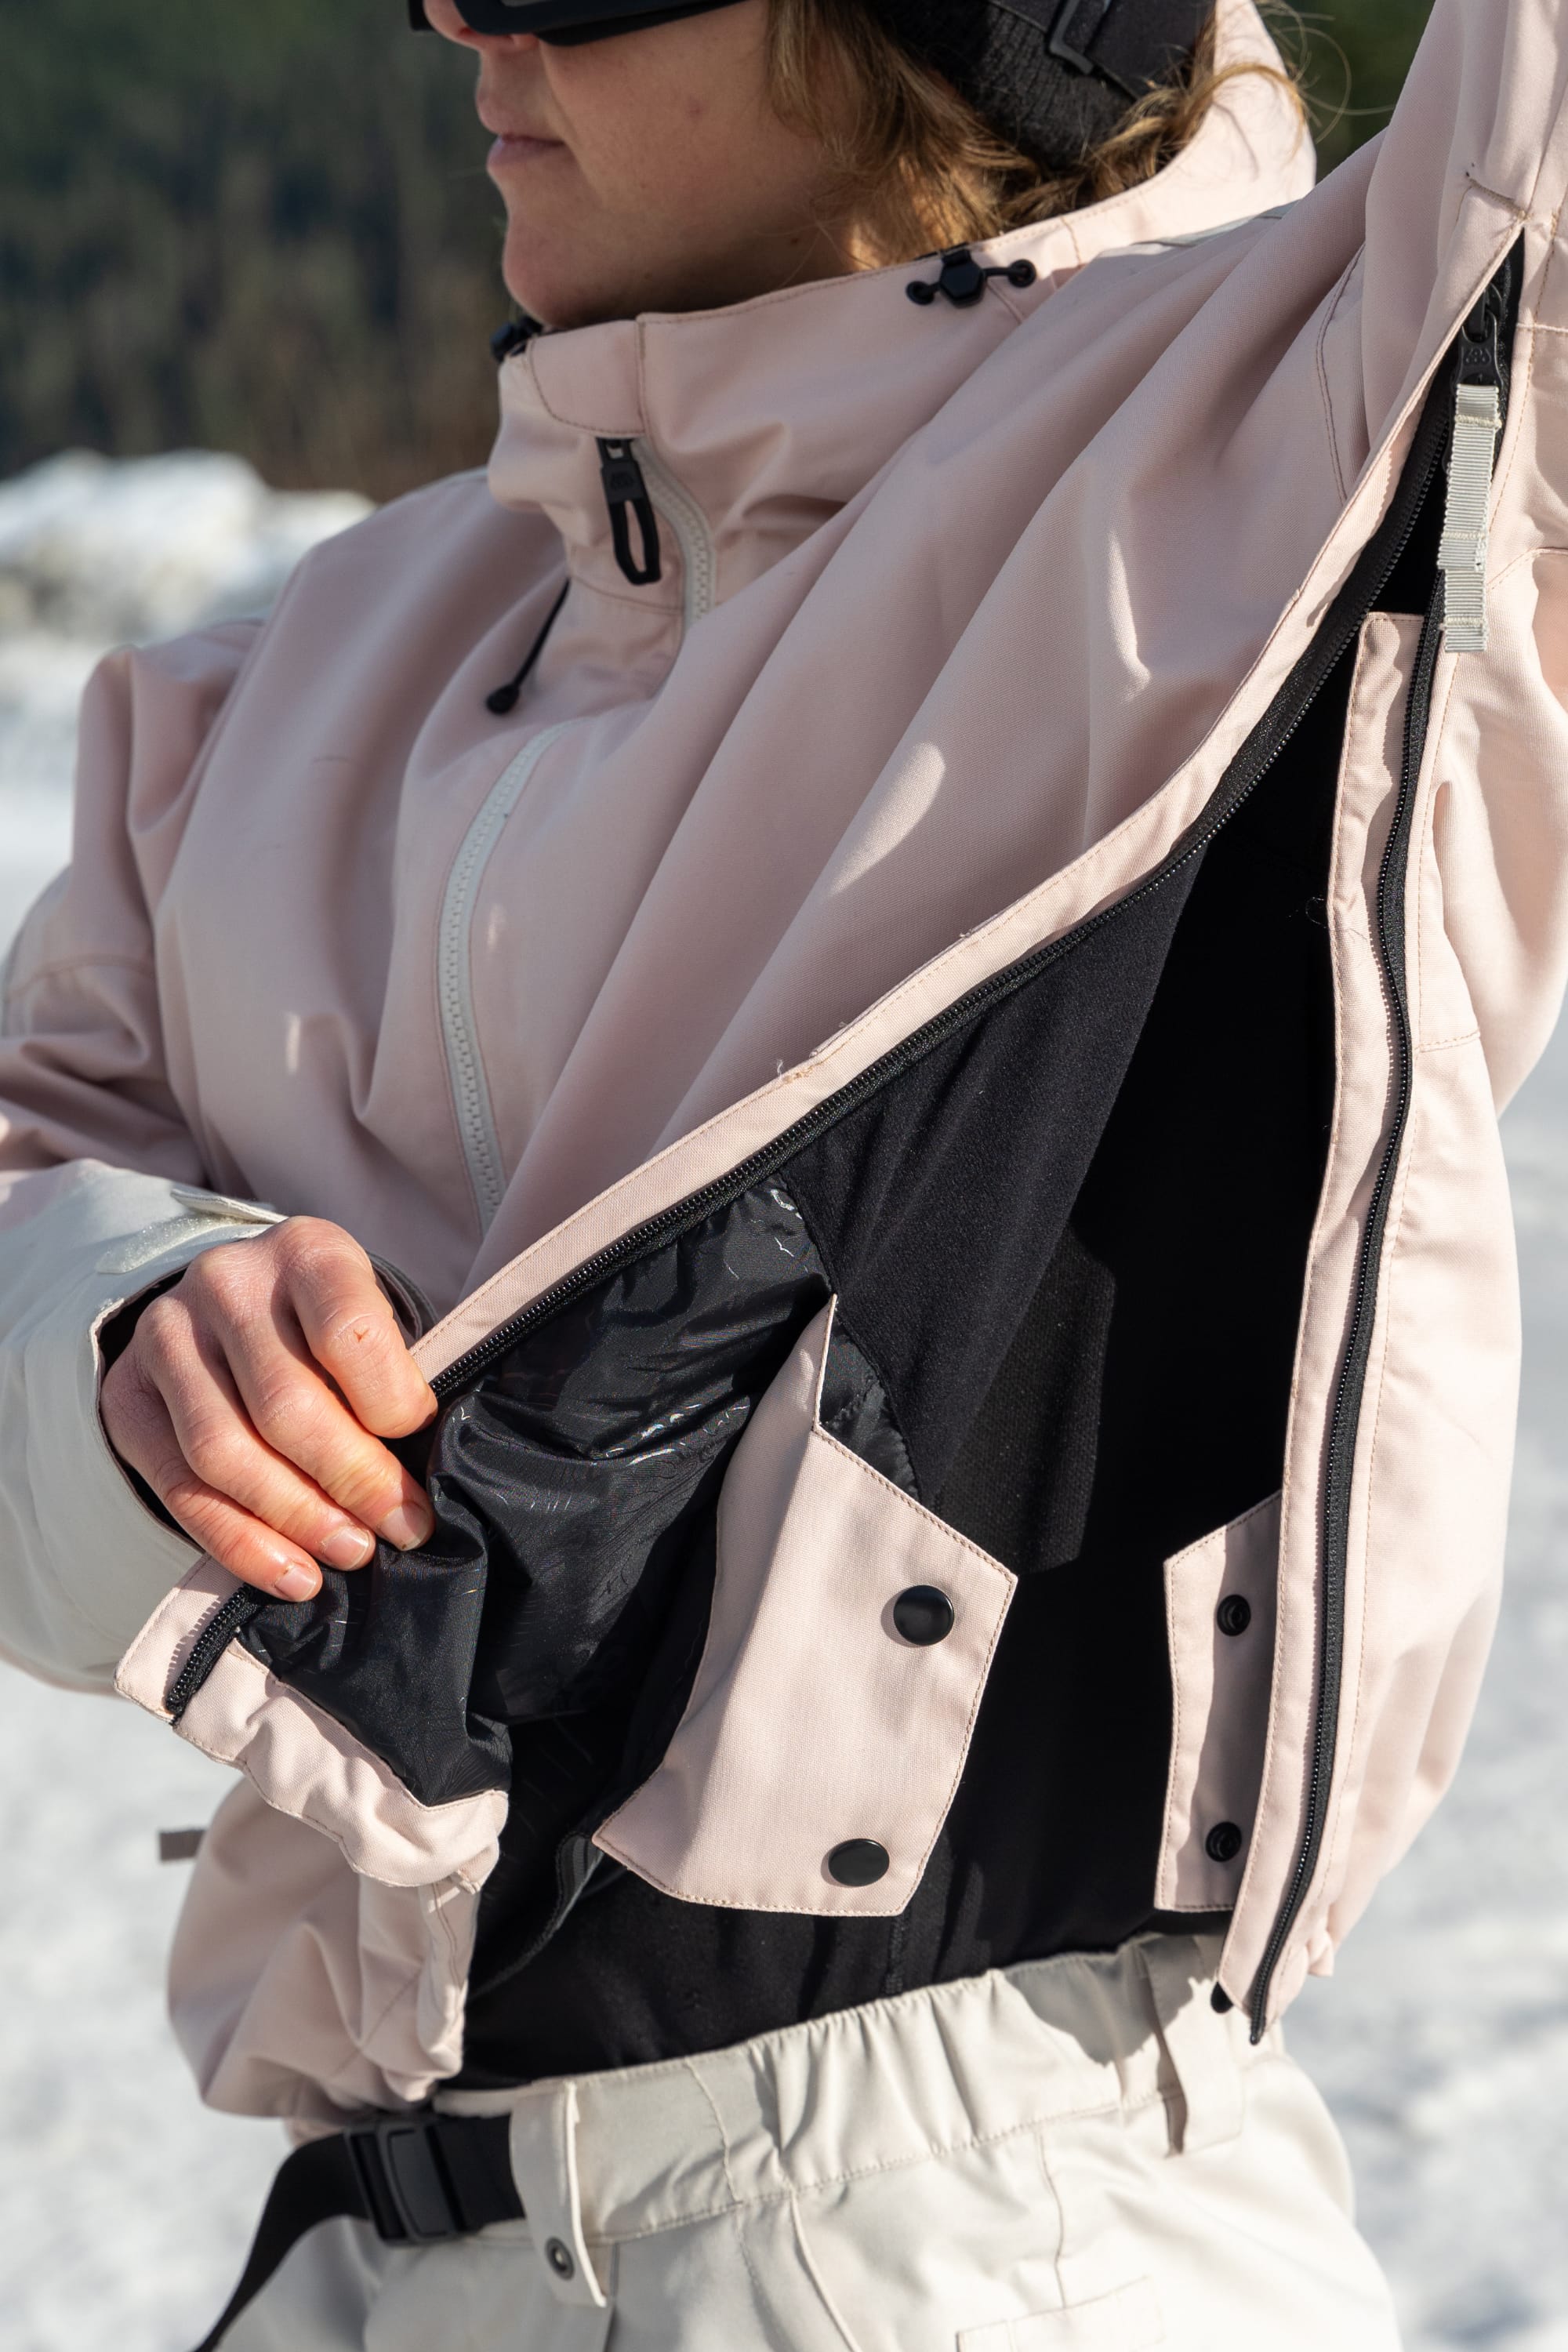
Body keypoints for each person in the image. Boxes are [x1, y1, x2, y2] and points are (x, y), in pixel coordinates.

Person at [1, 0, 1563, 2342]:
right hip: (373, 2251)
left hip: (967, 2244)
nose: (458, 18)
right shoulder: (287, 677)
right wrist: (126, 1327)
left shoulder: (1307, 454)